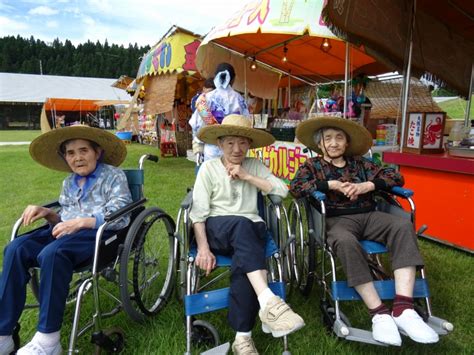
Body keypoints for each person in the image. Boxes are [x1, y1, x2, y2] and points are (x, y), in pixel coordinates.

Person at [289, 117, 439, 346]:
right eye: (328, 138)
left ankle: (403, 309)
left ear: (347, 143)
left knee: (402, 226)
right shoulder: (312, 167)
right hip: (336, 219)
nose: (334, 143)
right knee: (345, 241)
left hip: (370, 214)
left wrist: (367, 186)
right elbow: (296, 188)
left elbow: (395, 176)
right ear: (320, 145)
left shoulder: (361, 164)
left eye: (339, 138)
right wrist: (330, 185)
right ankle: (378, 313)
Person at [0, 126, 133, 355]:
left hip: (98, 234)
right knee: (16, 248)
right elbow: (65, 217)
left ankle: (48, 340)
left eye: (83, 150)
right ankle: (4, 333)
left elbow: (122, 213)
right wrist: (48, 213)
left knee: (52, 253)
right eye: (71, 153)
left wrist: (82, 222)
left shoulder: (113, 176)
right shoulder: (68, 183)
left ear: (97, 152)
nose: (77, 157)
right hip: (65, 231)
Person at [190, 114, 304, 355]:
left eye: (242, 142)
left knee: (246, 261)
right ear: (220, 144)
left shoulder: (254, 165)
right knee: (245, 230)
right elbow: (198, 213)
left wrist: (248, 176)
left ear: (249, 144)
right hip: (217, 230)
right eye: (230, 142)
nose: (236, 148)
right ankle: (268, 301)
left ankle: (243, 337)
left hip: (249, 233)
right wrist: (202, 248)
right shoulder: (209, 169)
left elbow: (283, 191)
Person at [194, 62, 250, 161]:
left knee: (212, 173)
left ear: (215, 77)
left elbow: (198, 125)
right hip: (234, 148)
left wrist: (198, 146)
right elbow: (246, 123)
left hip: (212, 147)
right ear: (233, 79)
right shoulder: (239, 99)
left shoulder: (205, 98)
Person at [188, 77, 216, 163]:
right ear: (204, 89)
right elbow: (198, 123)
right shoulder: (199, 100)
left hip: (209, 136)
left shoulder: (202, 100)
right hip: (207, 137)